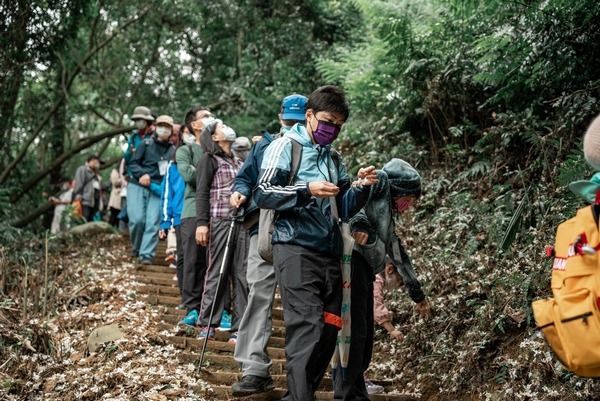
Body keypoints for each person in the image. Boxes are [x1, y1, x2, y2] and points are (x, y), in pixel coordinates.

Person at [254, 85, 378, 401]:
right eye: (327, 121)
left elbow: (345, 207)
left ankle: (298, 395)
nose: (331, 129)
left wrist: (361, 187)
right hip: (293, 247)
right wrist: (306, 189)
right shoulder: (285, 147)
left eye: (337, 124)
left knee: (330, 327)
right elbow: (264, 192)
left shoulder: (333, 158)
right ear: (309, 116)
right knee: (307, 325)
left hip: (330, 252)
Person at [230, 93, 308, 396]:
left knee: (300, 304)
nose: (292, 127)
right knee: (257, 296)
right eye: (288, 121)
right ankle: (254, 368)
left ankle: (302, 373)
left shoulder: (315, 149)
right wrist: (238, 191)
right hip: (261, 229)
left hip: (300, 234)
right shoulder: (263, 145)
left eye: (297, 122)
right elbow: (245, 177)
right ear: (280, 118)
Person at [334, 158, 430, 400]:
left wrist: (417, 295)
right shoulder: (380, 185)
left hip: (366, 269)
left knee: (363, 336)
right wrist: (361, 226)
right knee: (352, 333)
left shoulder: (387, 217)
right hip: (351, 262)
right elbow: (355, 204)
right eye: (409, 200)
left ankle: (356, 390)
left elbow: (399, 256)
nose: (409, 206)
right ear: (400, 192)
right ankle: (347, 393)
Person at [195, 119, 249, 343]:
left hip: (242, 222)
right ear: (215, 137)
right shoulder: (209, 159)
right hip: (220, 221)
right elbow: (201, 192)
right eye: (221, 126)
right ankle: (207, 323)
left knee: (242, 275)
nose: (227, 127)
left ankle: (239, 328)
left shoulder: (238, 160)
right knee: (218, 271)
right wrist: (201, 223)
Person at [175, 106, 214, 326]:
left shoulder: (218, 148)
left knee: (213, 262)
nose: (211, 119)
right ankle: (192, 307)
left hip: (217, 211)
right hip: (191, 211)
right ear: (195, 125)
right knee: (192, 260)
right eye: (205, 117)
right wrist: (210, 171)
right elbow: (188, 175)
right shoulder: (185, 150)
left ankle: (214, 308)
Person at [127, 115, 176, 264]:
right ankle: (136, 248)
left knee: (153, 223)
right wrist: (142, 174)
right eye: (161, 125)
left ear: (171, 130)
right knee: (137, 220)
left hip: (158, 189)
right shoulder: (145, 143)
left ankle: (146, 256)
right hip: (138, 184)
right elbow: (133, 163)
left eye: (167, 126)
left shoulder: (173, 150)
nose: (164, 129)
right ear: (155, 126)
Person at [158, 151, 185, 274]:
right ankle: (172, 254)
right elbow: (166, 193)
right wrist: (165, 222)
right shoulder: (172, 166)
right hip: (177, 216)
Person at [72, 155, 103, 222]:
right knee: (83, 220)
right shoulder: (83, 169)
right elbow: (79, 182)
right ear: (91, 161)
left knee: (91, 222)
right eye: (97, 162)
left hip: (94, 203)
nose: (99, 165)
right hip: (85, 201)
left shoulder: (97, 175)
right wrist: (78, 195)